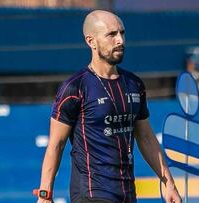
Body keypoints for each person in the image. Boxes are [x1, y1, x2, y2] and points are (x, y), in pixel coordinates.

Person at [36, 10, 182, 203]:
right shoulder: (75, 87)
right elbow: (56, 144)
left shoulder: (134, 84)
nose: (120, 40)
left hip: (127, 193)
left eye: (122, 33)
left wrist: (168, 182)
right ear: (91, 41)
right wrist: (45, 195)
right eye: (111, 35)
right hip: (91, 193)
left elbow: (146, 137)